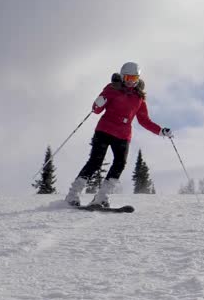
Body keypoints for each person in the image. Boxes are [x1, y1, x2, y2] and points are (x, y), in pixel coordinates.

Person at [65, 61, 172, 207]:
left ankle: (101, 197)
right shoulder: (112, 89)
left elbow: (144, 120)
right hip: (104, 130)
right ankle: (73, 194)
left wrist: (160, 131)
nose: (131, 82)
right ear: (122, 77)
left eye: (134, 79)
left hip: (123, 135)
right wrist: (99, 101)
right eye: (128, 78)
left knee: (119, 164)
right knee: (95, 162)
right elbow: (96, 110)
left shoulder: (139, 98)